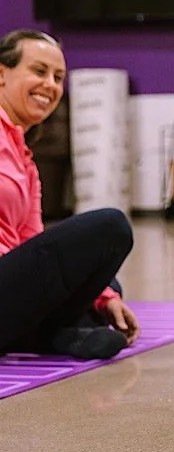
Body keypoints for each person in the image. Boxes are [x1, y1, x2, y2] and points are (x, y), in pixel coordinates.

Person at [0, 29, 140, 360]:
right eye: (39, 71)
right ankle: (55, 332)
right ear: (2, 74)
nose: (50, 85)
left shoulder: (25, 161)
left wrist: (106, 297)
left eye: (58, 77)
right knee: (110, 228)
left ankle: (46, 334)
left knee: (108, 284)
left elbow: (31, 238)